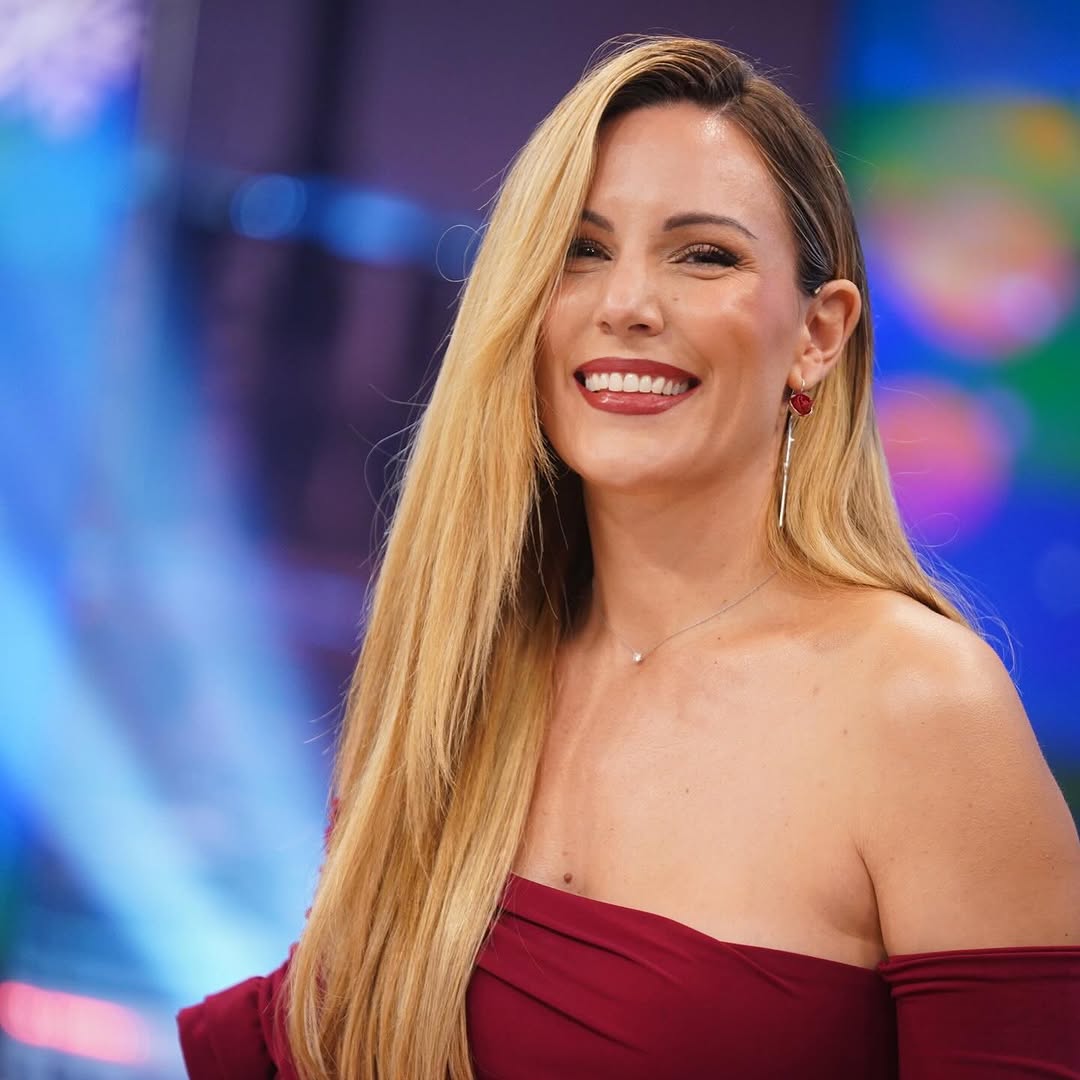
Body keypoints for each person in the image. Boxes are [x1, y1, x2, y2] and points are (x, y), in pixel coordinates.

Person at [177, 35, 1080, 1080]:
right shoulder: (454, 674)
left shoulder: (920, 705)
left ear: (818, 335)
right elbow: (313, 1033)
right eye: (580, 249)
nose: (627, 304)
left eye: (705, 256)